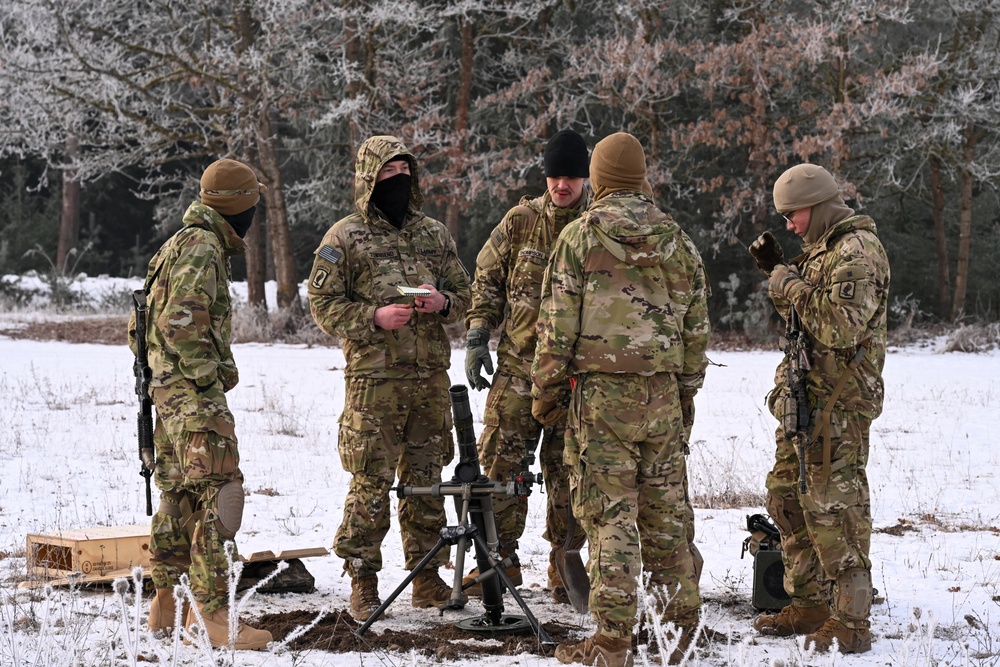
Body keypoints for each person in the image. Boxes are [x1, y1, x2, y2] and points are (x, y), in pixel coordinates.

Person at [532, 132, 711, 667]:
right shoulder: (677, 240)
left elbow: (555, 329)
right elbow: (696, 327)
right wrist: (683, 393)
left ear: (599, 176)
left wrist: (545, 395)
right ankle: (680, 631)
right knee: (666, 515)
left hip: (601, 399)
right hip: (660, 394)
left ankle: (612, 642)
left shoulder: (580, 238)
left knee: (610, 515)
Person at [306, 135, 472, 623]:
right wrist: (373, 317)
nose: (398, 179)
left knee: (425, 481)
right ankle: (363, 579)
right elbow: (323, 305)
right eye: (387, 172)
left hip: (428, 380)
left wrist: (443, 303)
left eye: (405, 170)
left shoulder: (433, 234)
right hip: (374, 383)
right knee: (371, 481)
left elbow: (466, 292)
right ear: (367, 179)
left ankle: (426, 577)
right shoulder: (343, 237)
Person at [128, 158, 271, 649]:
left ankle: (165, 605)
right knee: (221, 493)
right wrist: (209, 377)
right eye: (253, 203)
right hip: (191, 397)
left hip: (164, 397)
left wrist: (163, 380)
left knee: (179, 495)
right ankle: (210, 615)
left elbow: (139, 327)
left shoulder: (176, 244)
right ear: (240, 206)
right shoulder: (205, 247)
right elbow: (177, 322)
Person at [748, 163, 889, 654]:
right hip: (805, 403)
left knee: (834, 510)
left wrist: (788, 283)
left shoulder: (858, 252)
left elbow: (838, 326)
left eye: (794, 215)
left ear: (819, 206)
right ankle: (809, 601)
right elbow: (803, 322)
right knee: (787, 499)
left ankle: (851, 623)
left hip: (839, 406)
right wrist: (780, 274)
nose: (789, 224)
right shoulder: (821, 253)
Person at [462, 129, 591, 601]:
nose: (562, 186)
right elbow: (488, 280)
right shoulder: (521, 221)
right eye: (556, 177)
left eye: (572, 177)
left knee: (569, 471)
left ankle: (566, 564)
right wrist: (478, 334)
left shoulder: (599, 225)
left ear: (586, 177)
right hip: (519, 368)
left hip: (575, 377)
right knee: (500, 465)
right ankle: (500, 562)